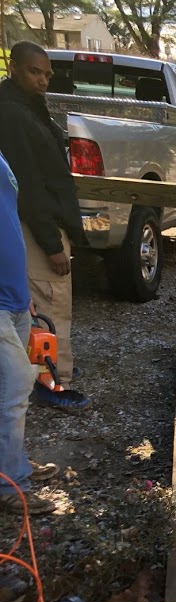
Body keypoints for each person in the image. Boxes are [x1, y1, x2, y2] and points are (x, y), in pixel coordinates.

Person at [0, 40, 90, 413]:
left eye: (47, 74)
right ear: (13, 66)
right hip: (37, 228)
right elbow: (29, 185)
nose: (42, 80)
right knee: (50, 306)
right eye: (34, 72)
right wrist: (52, 243)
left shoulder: (29, 109)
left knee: (38, 307)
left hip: (42, 222)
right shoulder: (11, 114)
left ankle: (40, 373)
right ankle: (52, 381)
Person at [0, 151, 58, 516]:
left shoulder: (3, 159)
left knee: (6, 389)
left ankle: (13, 461)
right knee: (18, 384)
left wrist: (23, 289)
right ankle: (10, 486)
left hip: (14, 297)